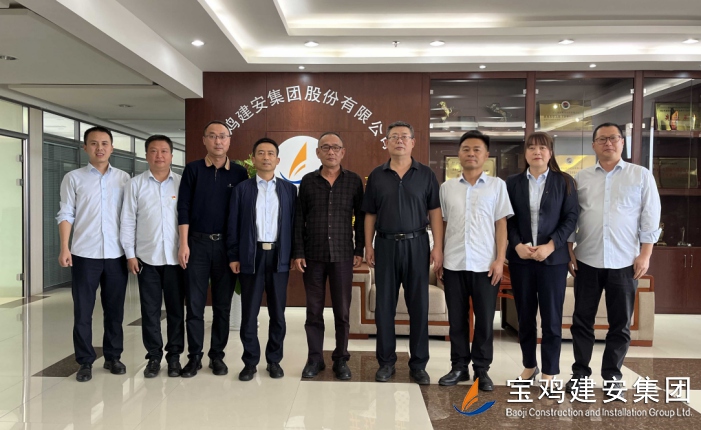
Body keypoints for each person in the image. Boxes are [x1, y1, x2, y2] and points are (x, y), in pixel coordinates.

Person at [566, 123, 661, 394]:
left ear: (622, 142)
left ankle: (612, 376)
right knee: (582, 321)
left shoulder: (640, 175)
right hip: (587, 259)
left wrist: (645, 254)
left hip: (625, 262)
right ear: (593, 145)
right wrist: (569, 248)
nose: (608, 143)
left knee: (620, 324)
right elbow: (572, 216)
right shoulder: (581, 178)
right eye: (602, 139)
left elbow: (650, 216)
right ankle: (580, 374)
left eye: (614, 138)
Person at [362, 121, 443, 385]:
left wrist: (437, 247)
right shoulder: (377, 175)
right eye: (394, 136)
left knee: (418, 306)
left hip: (417, 244)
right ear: (386, 142)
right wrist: (369, 245)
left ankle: (418, 364)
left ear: (412, 142)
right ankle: (386, 363)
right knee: (384, 306)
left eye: (404, 137)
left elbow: (435, 212)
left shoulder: (426, 174)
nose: (399, 140)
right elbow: (370, 214)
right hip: (385, 245)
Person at [437, 130, 513, 391]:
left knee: (484, 319)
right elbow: (442, 225)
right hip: (454, 263)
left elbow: (501, 224)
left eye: (476, 149)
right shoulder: (446, 188)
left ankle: (482, 369)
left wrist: (500, 259)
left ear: (486, 155)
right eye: (466, 149)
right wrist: (439, 255)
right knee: (457, 320)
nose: (471, 154)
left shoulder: (497, 186)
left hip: (485, 265)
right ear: (459, 154)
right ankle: (459, 366)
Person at [56, 126, 130, 382]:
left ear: (112, 148)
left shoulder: (124, 179)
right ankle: (85, 361)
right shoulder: (73, 178)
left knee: (115, 311)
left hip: (116, 255)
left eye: (104, 143)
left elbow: (129, 217)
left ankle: (113, 357)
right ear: (85, 147)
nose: (100, 148)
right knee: (83, 311)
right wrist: (64, 247)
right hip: (84, 254)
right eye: (94, 143)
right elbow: (66, 213)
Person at [505, 132, 579, 384]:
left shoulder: (565, 182)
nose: (537, 152)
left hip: (553, 261)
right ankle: (529, 366)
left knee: (551, 317)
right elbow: (508, 218)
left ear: (550, 153)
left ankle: (550, 370)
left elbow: (571, 218)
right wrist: (516, 245)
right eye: (532, 147)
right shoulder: (512, 183)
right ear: (525, 153)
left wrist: (551, 245)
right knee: (525, 317)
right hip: (521, 259)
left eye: (542, 147)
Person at [177, 120, 248, 378]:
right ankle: (194, 357)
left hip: (225, 247)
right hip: (196, 244)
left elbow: (242, 214)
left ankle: (217, 356)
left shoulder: (239, 173)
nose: (218, 141)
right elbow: (183, 206)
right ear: (204, 140)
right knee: (194, 305)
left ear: (229, 140)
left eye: (223, 136)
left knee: (222, 306)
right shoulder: (193, 169)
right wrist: (183, 243)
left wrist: (237, 251)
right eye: (213, 136)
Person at [293, 132, 365, 380]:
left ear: (343, 152)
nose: (331, 152)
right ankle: (315, 359)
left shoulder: (353, 181)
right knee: (313, 311)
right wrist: (298, 251)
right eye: (326, 147)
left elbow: (361, 219)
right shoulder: (308, 181)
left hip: (343, 255)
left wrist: (359, 250)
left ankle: (341, 359)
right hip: (313, 255)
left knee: (342, 311)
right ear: (318, 152)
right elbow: (299, 219)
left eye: (336, 147)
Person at [228, 138, 297, 381]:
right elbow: (233, 225)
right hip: (251, 255)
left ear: (278, 159)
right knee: (249, 313)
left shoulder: (289, 190)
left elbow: (295, 225)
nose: (266, 157)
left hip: (279, 256)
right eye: (261, 153)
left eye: (270, 153)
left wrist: (293, 254)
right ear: (253, 158)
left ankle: (274, 360)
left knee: (278, 313)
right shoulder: (242, 189)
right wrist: (234, 255)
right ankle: (250, 362)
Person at [120, 135, 185, 378]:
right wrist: (130, 254)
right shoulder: (135, 184)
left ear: (171, 155)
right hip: (146, 259)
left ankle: (175, 356)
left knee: (176, 311)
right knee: (150, 311)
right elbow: (128, 220)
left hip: (176, 260)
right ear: (146, 155)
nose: (159, 155)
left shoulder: (182, 183)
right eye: (154, 151)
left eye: (164, 151)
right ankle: (154, 357)